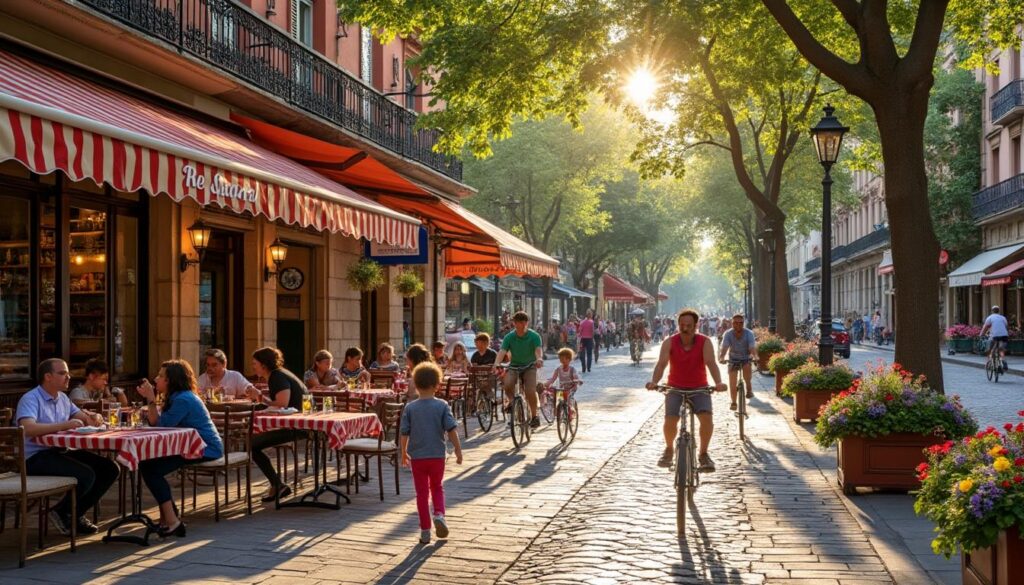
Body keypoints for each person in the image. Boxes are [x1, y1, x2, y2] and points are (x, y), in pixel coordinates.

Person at [16, 358, 117, 536]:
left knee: (109, 468)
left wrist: (92, 417)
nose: (68, 377)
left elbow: (80, 416)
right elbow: (28, 428)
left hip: (58, 451)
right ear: (48, 376)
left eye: (68, 373)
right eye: (62, 373)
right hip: (35, 457)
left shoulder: (62, 398)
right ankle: (63, 512)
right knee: (86, 475)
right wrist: (64, 425)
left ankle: (72, 514)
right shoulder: (31, 398)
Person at [136, 359, 223, 537]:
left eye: (160, 376)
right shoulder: (178, 396)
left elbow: (161, 427)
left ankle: (173, 521)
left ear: (171, 380)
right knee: (148, 464)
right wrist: (152, 400)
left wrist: (151, 399)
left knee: (151, 469)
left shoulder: (183, 399)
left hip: (204, 448)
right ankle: (168, 517)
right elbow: (157, 424)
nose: (155, 379)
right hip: (188, 446)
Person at [646, 309, 727, 471]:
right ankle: (669, 449)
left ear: (696, 325)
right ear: (678, 325)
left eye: (689, 325)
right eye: (682, 325)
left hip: (700, 388)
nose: (685, 328)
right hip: (674, 387)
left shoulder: (704, 342)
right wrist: (654, 381)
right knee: (670, 419)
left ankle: (703, 454)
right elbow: (661, 364)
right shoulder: (669, 342)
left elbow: (711, 363)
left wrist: (718, 382)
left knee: (706, 418)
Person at [400, 362, 462, 544]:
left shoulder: (410, 408)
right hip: (437, 456)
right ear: (437, 385)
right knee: (437, 487)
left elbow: (404, 433)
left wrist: (403, 452)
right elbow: (451, 430)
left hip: (418, 458)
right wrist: (457, 449)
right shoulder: (442, 405)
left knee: (421, 494)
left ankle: (425, 531)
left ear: (416, 385)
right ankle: (439, 514)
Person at [247, 346, 307, 502]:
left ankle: (277, 484)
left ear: (264, 365)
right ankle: (276, 485)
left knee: (251, 445)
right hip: (297, 423)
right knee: (253, 442)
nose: (253, 366)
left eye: (255, 363)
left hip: (297, 426)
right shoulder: (278, 374)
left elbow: (281, 403)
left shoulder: (277, 376)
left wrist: (259, 396)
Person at [493, 311, 545, 429]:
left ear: (526, 323)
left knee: (530, 391)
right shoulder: (509, 337)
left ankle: (534, 416)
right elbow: (502, 351)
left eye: (521, 323)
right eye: (515, 322)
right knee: (507, 385)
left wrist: (539, 359)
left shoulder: (534, 336)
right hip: (514, 366)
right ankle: (513, 403)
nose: (518, 325)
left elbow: (538, 350)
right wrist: (497, 362)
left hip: (530, 366)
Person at [717, 314, 757, 410]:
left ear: (743, 323)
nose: (738, 325)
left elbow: (752, 346)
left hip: (745, 358)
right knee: (732, 381)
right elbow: (725, 347)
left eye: (741, 323)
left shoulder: (749, 333)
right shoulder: (728, 334)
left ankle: (748, 387)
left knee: (747, 371)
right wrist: (722, 357)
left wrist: (755, 356)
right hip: (733, 359)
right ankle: (734, 402)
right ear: (732, 323)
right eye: (735, 323)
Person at [981, 305, 1011, 371]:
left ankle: (988, 362)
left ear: (992, 311)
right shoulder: (1003, 318)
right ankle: (1003, 360)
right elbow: (1006, 327)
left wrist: (981, 335)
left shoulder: (990, 318)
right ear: (999, 311)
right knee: (1001, 349)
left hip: (994, 336)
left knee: (990, 349)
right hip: (1004, 336)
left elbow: (985, 327)